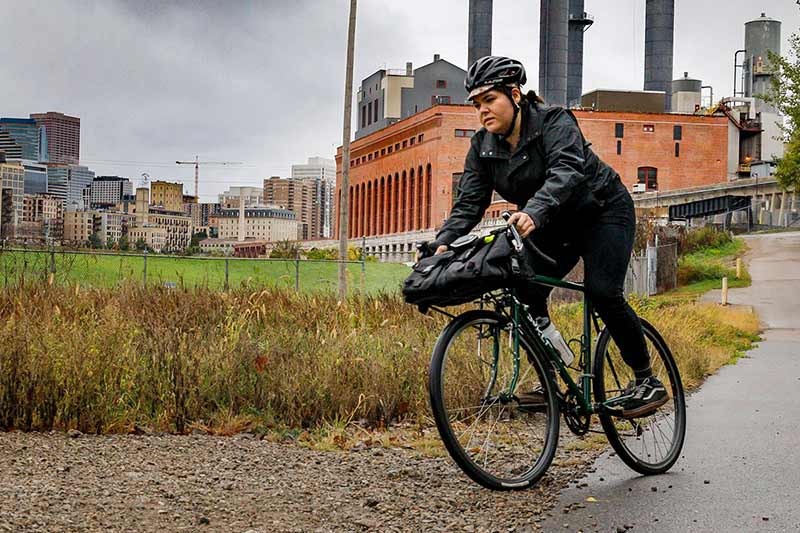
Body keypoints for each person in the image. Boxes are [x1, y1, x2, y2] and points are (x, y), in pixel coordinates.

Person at [428, 56, 667, 418]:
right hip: (555, 222)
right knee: (523, 290)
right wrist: (444, 241)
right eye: (477, 104)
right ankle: (552, 378)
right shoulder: (482, 147)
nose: (482, 111)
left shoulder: (554, 122)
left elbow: (566, 170)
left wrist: (533, 212)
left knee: (604, 292)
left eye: (490, 100)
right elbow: (469, 203)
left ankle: (647, 380)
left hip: (602, 210)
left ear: (514, 94)